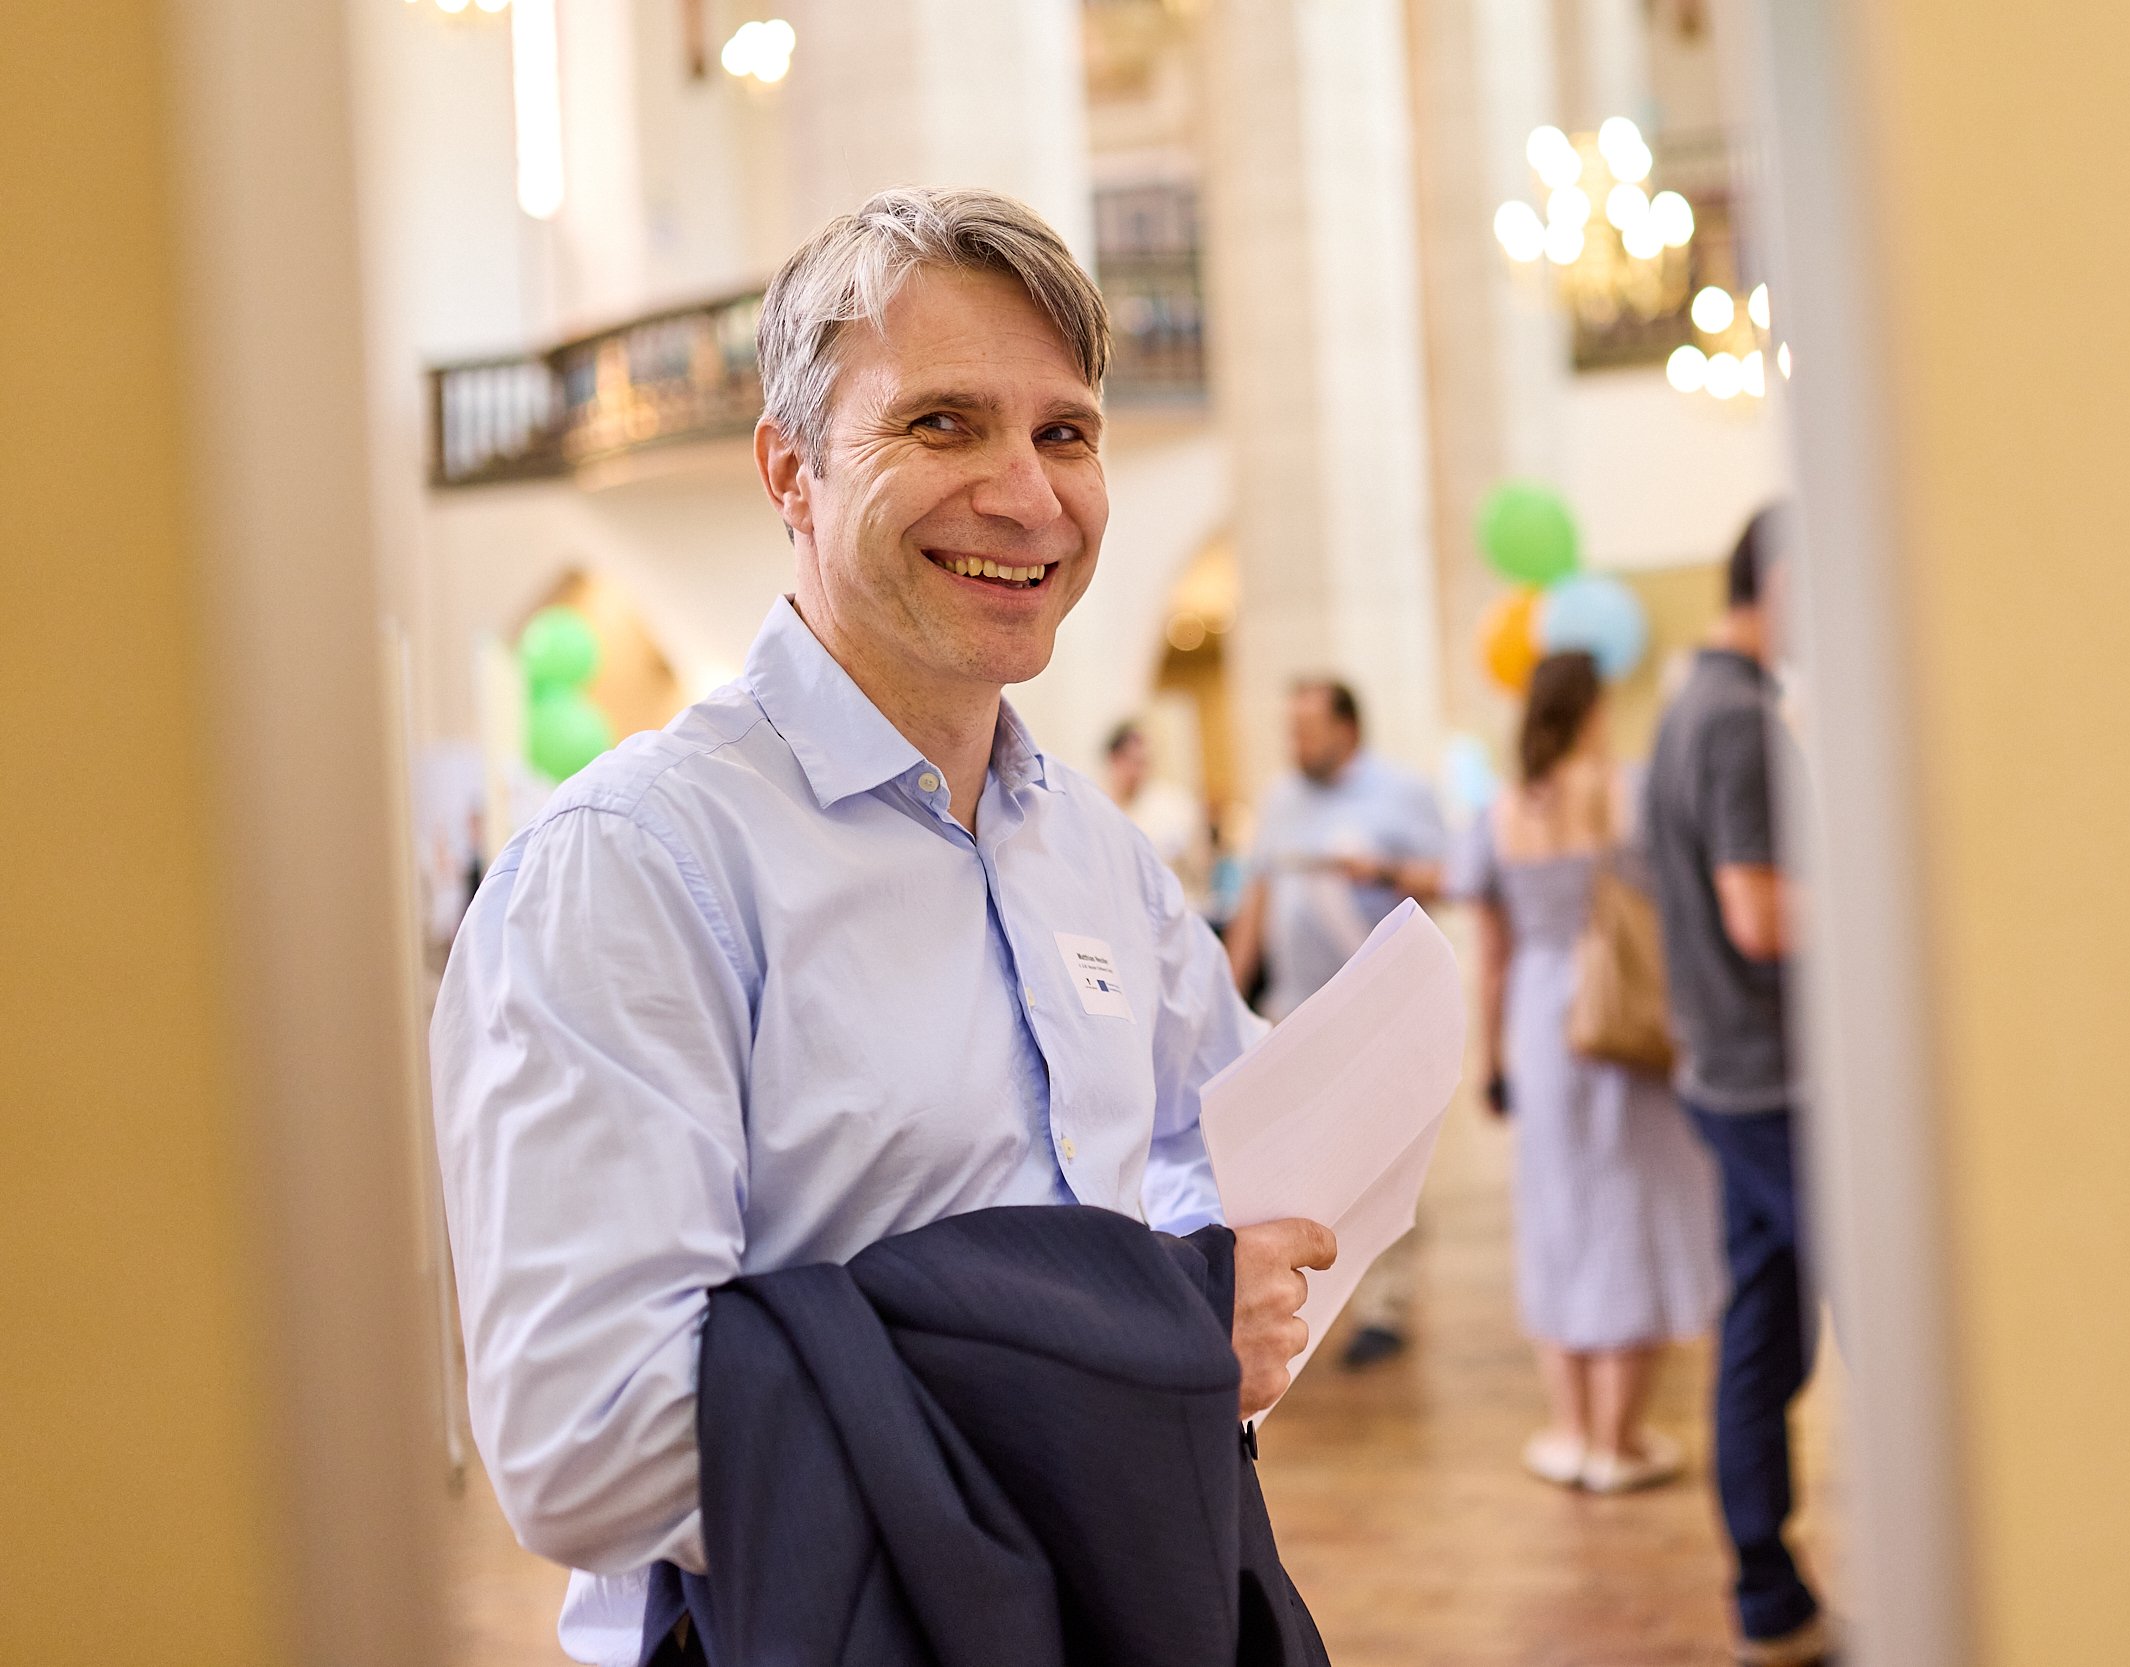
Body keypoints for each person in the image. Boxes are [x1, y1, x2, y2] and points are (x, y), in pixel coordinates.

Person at [430, 187, 1337, 1667]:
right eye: (942, 424)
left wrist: (1206, 1299)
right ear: (790, 471)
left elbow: (1231, 1155)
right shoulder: (635, 866)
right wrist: (1143, 1350)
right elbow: (586, 1440)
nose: (1028, 496)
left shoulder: (1097, 854)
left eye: (1066, 431)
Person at [1450, 651, 1725, 1493]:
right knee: (1633, 1213)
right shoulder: (1628, 792)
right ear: (1594, 710)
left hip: (1538, 1019)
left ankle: (1570, 1432)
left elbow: (1490, 959)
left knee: (1555, 1213)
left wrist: (1492, 1062)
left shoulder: (1498, 814)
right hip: (1623, 1011)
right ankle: (1619, 1439)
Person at [1643, 505, 1829, 1666]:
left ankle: (1772, 1598)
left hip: (1733, 1070)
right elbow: (1758, 913)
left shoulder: (1690, 706)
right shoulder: (1737, 718)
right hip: (1774, 1078)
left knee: (1763, 1333)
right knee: (1890, 1323)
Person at [1226, 677, 1444, 1367]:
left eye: (1308, 729)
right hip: (1295, 1007)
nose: (1295, 743)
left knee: (1380, 1155)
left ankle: (1385, 1303)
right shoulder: (1281, 799)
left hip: (1376, 1012)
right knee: (1301, 1162)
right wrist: (1226, 991)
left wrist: (1383, 870)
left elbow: (1444, 877)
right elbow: (1258, 898)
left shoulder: (1399, 791)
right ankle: (1306, 1301)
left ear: (1347, 730)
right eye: (1290, 729)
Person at [1101, 718, 1211, 909]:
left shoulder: (1175, 806)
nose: (1137, 771)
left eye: (1143, 762)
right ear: (1114, 760)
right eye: (1132, 761)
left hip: (1172, 909)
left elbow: (1200, 868)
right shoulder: (1100, 808)